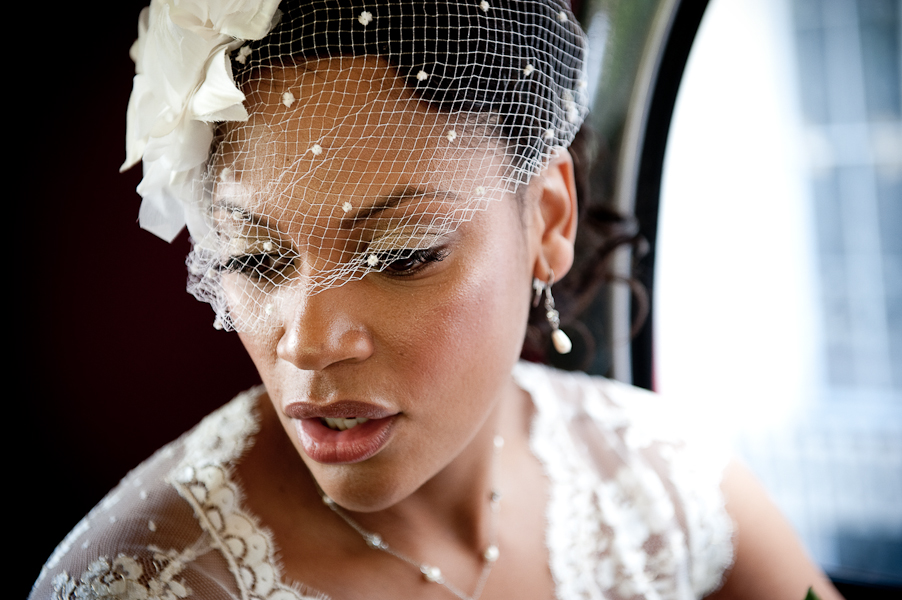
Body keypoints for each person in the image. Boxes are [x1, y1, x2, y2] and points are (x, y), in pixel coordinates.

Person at [31, 1, 843, 599]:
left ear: (549, 220)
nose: (306, 344)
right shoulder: (148, 580)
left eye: (400, 254)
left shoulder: (665, 485)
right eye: (256, 258)